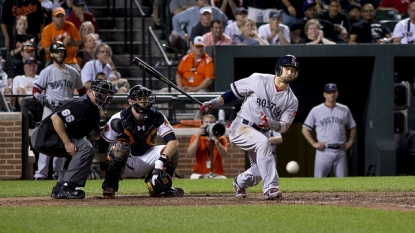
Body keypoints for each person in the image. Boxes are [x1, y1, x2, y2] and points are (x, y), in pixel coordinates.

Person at [200, 54, 300, 199]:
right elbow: (233, 94)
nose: (289, 73)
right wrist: (213, 103)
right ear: (279, 68)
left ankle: (239, 182)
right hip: (242, 126)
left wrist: (271, 123)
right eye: (287, 69)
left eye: (293, 70)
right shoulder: (259, 79)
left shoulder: (292, 100)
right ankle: (271, 188)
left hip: (263, 132)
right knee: (264, 143)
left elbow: (285, 127)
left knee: (260, 171)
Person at [101, 85, 184, 198]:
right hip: (124, 162)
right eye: (140, 99)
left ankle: (160, 188)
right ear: (131, 101)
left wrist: (160, 162)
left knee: (171, 151)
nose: (144, 102)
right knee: (121, 147)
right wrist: (102, 167)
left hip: (147, 156)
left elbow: (173, 142)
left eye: (145, 98)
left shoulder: (157, 116)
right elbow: (103, 144)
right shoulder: (118, 118)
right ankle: (109, 188)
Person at [46, 79, 115, 198]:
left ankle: (59, 188)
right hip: (46, 135)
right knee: (86, 148)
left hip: (55, 135)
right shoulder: (81, 104)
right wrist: (67, 143)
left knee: (80, 148)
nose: (104, 96)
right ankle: (67, 186)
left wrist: (110, 129)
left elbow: (94, 135)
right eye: (102, 92)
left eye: (107, 93)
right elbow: (56, 118)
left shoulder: (94, 111)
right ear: (90, 92)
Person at [32, 41, 86, 180]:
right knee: (45, 139)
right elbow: (36, 89)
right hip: (50, 108)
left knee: (63, 141)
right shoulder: (47, 71)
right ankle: (41, 174)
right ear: (51, 54)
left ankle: (58, 173)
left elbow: (82, 91)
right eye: (56, 52)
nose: (59, 54)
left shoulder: (73, 71)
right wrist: (39, 97)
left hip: (67, 110)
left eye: (61, 51)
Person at [301, 83, 356, 178]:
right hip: (323, 151)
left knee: (343, 184)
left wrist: (350, 142)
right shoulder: (316, 110)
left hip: (340, 151)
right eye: (329, 92)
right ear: (324, 94)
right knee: (319, 182)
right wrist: (314, 143)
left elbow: (353, 127)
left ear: (337, 94)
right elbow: (305, 129)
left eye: (333, 92)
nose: (331, 95)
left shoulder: (344, 109)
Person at [41, 7, 82, 71]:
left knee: (78, 73)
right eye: (57, 17)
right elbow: (46, 50)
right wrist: (62, 44)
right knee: (47, 74)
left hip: (70, 60)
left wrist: (71, 41)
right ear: (53, 18)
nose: (60, 19)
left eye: (62, 16)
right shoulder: (47, 30)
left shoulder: (71, 26)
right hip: (53, 61)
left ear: (65, 17)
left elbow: (78, 42)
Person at [188, 114, 228, 179]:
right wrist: (198, 136)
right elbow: (190, 153)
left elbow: (224, 154)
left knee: (223, 179)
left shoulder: (221, 138)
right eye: (206, 122)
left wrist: (218, 143)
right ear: (202, 124)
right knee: (193, 177)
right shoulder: (196, 137)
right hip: (199, 173)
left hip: (217, 173)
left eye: (211, 122)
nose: (208, 124)